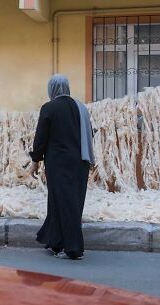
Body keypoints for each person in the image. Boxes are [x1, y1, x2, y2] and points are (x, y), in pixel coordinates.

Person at [29, 74, 94, 260]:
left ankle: (73, 249)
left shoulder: (49, 108)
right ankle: (55, 241)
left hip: (59, 164)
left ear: (52, 89)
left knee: (64, 204)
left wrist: (35, 161)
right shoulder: (80, 107)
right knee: (68, 202)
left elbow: (40, 138)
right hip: (80, 163)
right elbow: (90, 134)